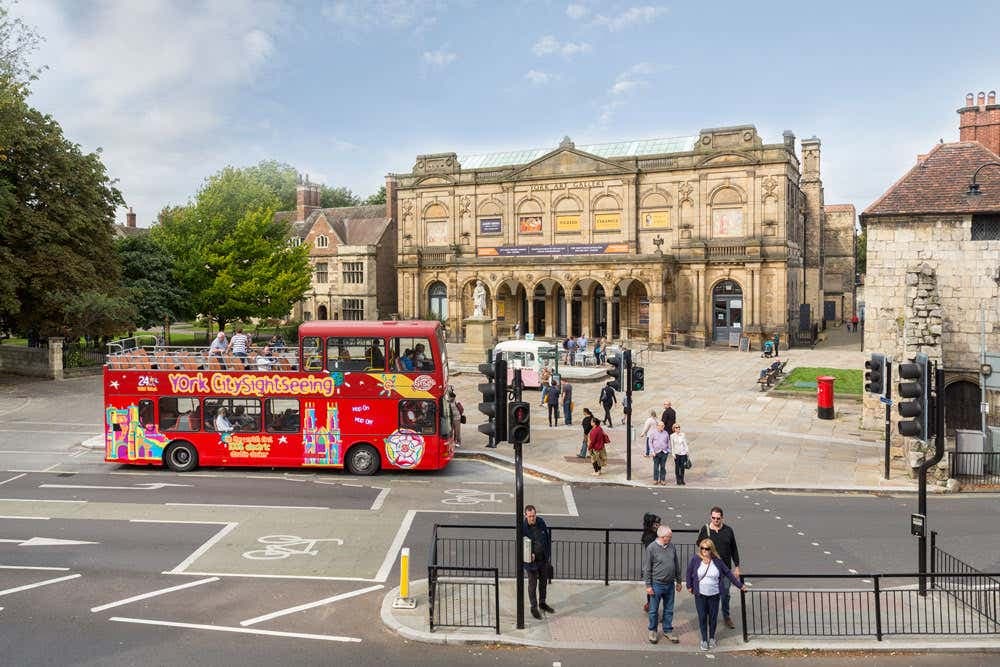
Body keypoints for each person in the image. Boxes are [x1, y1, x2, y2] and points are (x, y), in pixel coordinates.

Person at [687, 538, 747, 651]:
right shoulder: (695, 559)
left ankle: (711, 638)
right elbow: (689, 572)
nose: (704, 550)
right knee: (702, 617)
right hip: (700, 595)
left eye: (707, 549)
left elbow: (728, 573)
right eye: (702, 548)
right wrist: (689, 586)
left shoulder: (718, 561)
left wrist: (740, 585)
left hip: (714, 594)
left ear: (711, 549)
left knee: (713, 617)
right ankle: (704, 640)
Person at [696, 506, 742, 631]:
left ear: (722, 518)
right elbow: (699, 544)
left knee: (725, 595)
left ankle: (726, 616)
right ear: (710, 517)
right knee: (710, 594)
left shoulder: (728, 530)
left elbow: (734, 549)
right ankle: (709, 616)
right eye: (713, 518)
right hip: (710, 569)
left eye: (718, 518)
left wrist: (737, 566)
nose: (716, 520)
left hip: (725, 569)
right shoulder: (705, 529)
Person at [643, 525, 682, 644]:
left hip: (670, 584)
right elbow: (647, 568)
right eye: (669, 536)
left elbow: (676, 564)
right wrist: (648, 586)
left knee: (669, 609)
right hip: (656, 584)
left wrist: (679, 581)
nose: (670, 538)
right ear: (662, 536)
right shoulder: (651, 548)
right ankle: (653, 630)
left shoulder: (671, 546)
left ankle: (667, 630)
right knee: (653, 610)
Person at [523, 505, 555, 619]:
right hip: (531, 563)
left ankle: (542, 603)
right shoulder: (523, 527)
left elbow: (547, 538)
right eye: (530, 516)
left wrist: (548, 555)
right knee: (532, 585)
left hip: (543, 559)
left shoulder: (541, 522)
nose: (532, 518)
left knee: (543, 583)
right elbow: (521, 544)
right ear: (525, 515)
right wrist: (529, 553)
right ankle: (534, 607)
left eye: (533, 515)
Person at [640, 513, 661, 612]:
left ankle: (650, 605)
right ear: (651, 524)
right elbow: (652, 553)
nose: (659, 525)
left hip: (654, 565)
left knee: (652, 587)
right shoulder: (650, 537)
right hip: (654, 566)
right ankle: (651, 606)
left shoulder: (651, 534)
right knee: (653, 588)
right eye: (656, 524)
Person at [649, 421, 671, 486]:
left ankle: (662, 480)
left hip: (664, 452)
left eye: (663, 426)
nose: (662, 427)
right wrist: (652, 451)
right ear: (657, 426)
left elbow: (668, 442)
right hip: (656, 452)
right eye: (660, 426)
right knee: (656, 467)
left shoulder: (666, 433)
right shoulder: (653, 433)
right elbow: (650, 442)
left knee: (663, 467)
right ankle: (655, 479)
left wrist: (668, 450)